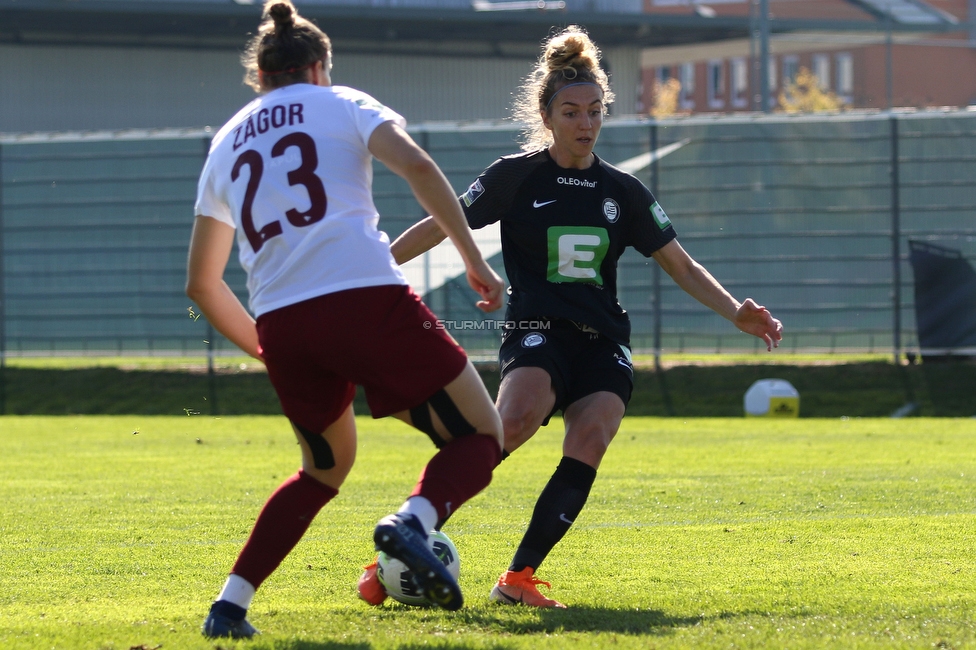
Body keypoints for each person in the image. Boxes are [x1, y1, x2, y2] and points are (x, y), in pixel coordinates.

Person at [367, 25, 784, 609]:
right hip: (537, 330)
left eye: (595, 111)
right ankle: (400, 542)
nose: (585, 123)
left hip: (603, 340)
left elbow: (681, 266)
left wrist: (736, 310)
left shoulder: (625, 191)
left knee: (591, 434)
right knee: (511, 423)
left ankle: (518, 578)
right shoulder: (516, 175)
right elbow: (443, 222)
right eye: (571, 112)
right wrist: (378, 265)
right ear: (547, 114)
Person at [186, 0, 505, 638]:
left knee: (322, 470)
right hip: (363, 300)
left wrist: (264, 347)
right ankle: (412, 523)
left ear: (262, 75)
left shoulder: (226, 141)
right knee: (480, 436)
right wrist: (472, 258)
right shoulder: (341, 102)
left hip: (281, 322)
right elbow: (416, 164)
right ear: (319, 65)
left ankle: (230, 605)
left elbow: (201, 282)